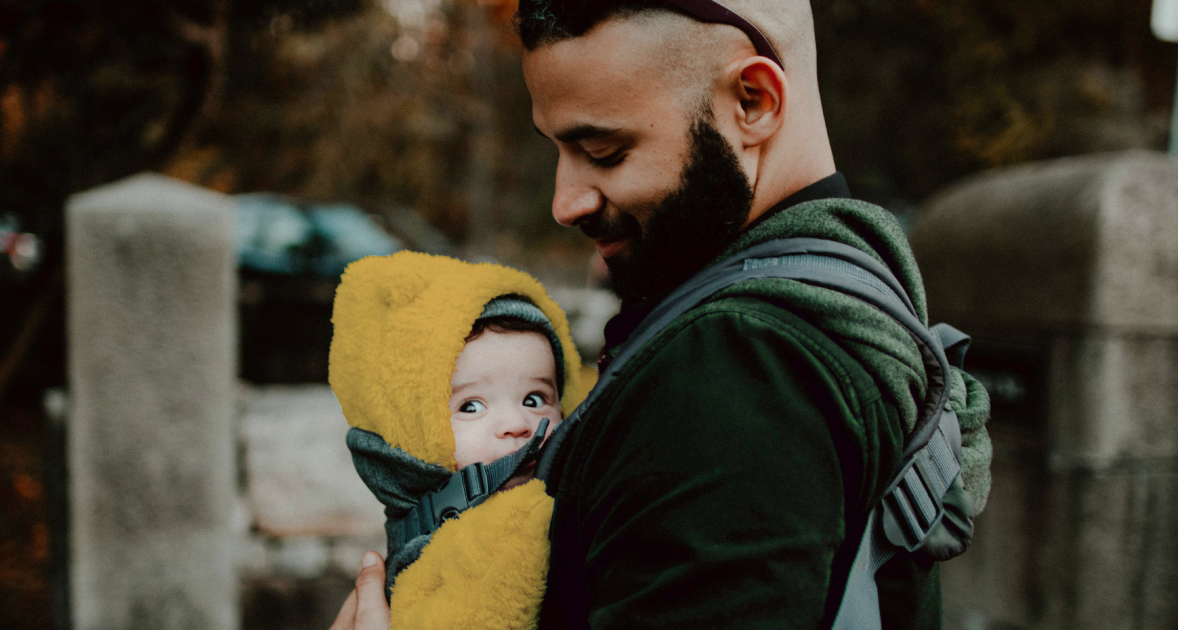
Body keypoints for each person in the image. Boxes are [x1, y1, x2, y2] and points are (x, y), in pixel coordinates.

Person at [332, 0, 993, 628]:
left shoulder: (737, 368)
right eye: (556, 149)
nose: (565, 202)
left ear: (753, 102)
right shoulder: (852, 286)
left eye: (603, 152)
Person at [328, 251, 595, 630]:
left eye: (534, 399)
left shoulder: (553, 530)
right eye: (471, 406)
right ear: (409, 436)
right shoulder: (424, 543)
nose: (517, 424)